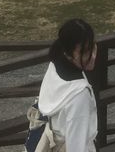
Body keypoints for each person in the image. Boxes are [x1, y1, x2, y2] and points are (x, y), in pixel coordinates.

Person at [36, 18, 97, 152]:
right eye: (85, 50)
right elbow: (77, 147)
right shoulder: (79, 95)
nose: (92, 54)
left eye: (92, 46)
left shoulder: (56, 63)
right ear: (69, 53)